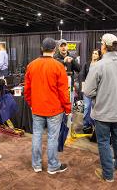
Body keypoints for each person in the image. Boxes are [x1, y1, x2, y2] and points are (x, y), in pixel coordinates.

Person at [84, 33, 117, 182]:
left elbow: (87, 91)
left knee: (104, 142)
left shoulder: (98, 65)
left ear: (103, 47)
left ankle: (108, 174)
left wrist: (99, 95)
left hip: (104, 112)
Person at [24, 37, 71, 174]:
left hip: (37, 108)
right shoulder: (58, 66)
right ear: (54, 49)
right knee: (52, 137)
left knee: (37, 136)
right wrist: (67, 108)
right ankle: (53, 166)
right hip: (54, 109)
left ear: (41, 48)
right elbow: (63, 91)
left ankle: (36, 165)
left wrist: (31, 103)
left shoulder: (31, 65)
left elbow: (27, 89)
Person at [54, 39, 80, 105]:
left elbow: (79, 69)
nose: (63, 48)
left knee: (69, 108)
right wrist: (63, 62)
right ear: (58, 48)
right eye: (61, 46)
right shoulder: (54, 58)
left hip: (69, 88)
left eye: (65, 46)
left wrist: (73, 61)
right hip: (57, 88)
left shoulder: (72, 57)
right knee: (59, 109)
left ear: (67, 47)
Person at [81, 49, 102, 133]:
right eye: (93, 53)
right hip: (87, 89)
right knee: (86, 107)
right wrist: (83, 88)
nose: (94, 55)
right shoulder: (87, 64)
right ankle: (86, 125)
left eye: (96, 54)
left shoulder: (101, 65)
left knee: (95, 108)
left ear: (99, 55)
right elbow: (83, 76)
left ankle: (94, 126)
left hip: (97, 90)